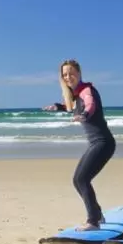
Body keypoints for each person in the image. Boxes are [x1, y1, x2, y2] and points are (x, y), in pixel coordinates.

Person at [42, 59, 117, 231]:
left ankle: (93, 221)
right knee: (78, 180)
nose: (68, 77)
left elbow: (90, 104)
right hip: (96, 143)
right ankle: (97, 214)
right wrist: (58, 107)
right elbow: (73, 107)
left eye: (71, 73)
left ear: (79, 73)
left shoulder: (86, 90)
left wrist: (84, 115)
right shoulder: (75, 95)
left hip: (103, 143)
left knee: (82, 179)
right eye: (65, 74)